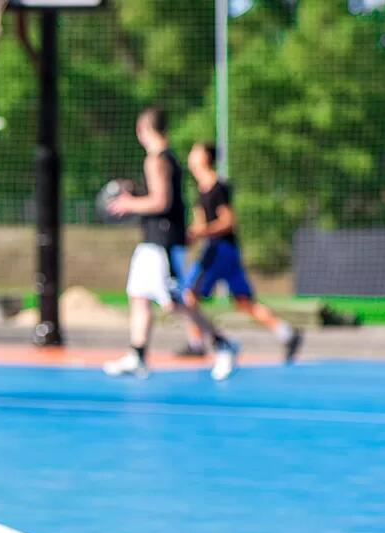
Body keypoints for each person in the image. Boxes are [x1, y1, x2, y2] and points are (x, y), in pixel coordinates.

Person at [104, 107, 239, 381]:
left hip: (162, 243)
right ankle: (138, 355)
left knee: (175, 302)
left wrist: (129, 203)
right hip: (154, 241)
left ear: (142, 131)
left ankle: (222, 344)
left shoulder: (156, 159)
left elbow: (161, 201)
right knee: (139, 295)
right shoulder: (168, 158)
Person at [178, 141, 302, 362]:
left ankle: (199, 343)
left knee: (188, 295)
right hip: (225, 250)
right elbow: (199, 226)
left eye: (195, 151)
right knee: (244, 301)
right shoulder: (201, 190)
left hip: (220, 249)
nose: (190, 156)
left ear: (205, 157)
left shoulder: (218, 187)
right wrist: (190, 237)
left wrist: (201, 231)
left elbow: (228, 221)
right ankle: (287, 333)